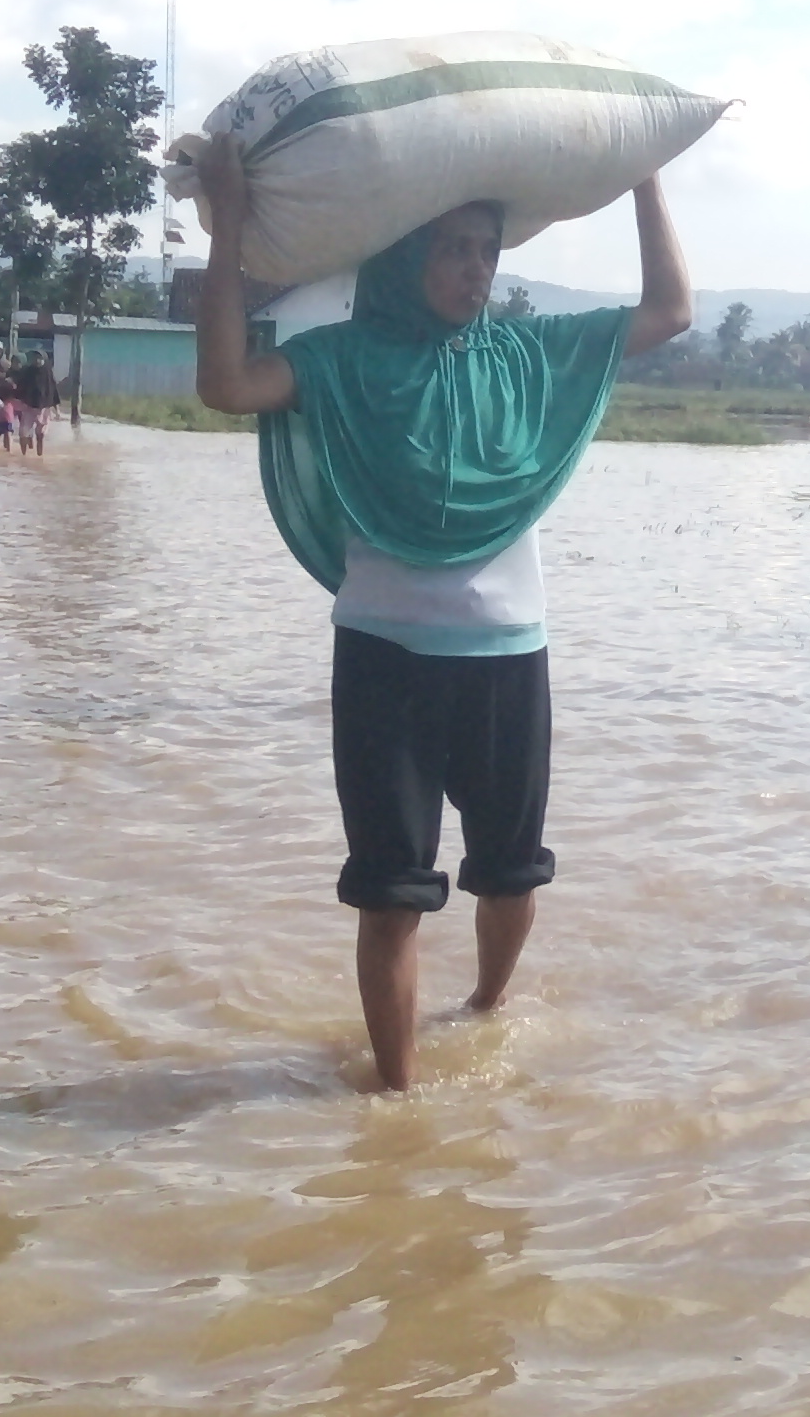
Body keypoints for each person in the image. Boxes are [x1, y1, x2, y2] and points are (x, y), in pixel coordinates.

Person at [194, 134, 692, 1092]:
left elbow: (671, 311)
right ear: (402, 256)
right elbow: (224, 385)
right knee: (391, 898)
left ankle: (487, 1011)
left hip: (510, 657)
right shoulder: (340, 363)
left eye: (487, 250)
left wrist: (643, 170)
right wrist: (224, 231)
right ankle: (398, 1104)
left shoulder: (528, 357)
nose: (475, 269)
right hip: (385, 660)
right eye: (452, 248)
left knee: (511, 875)